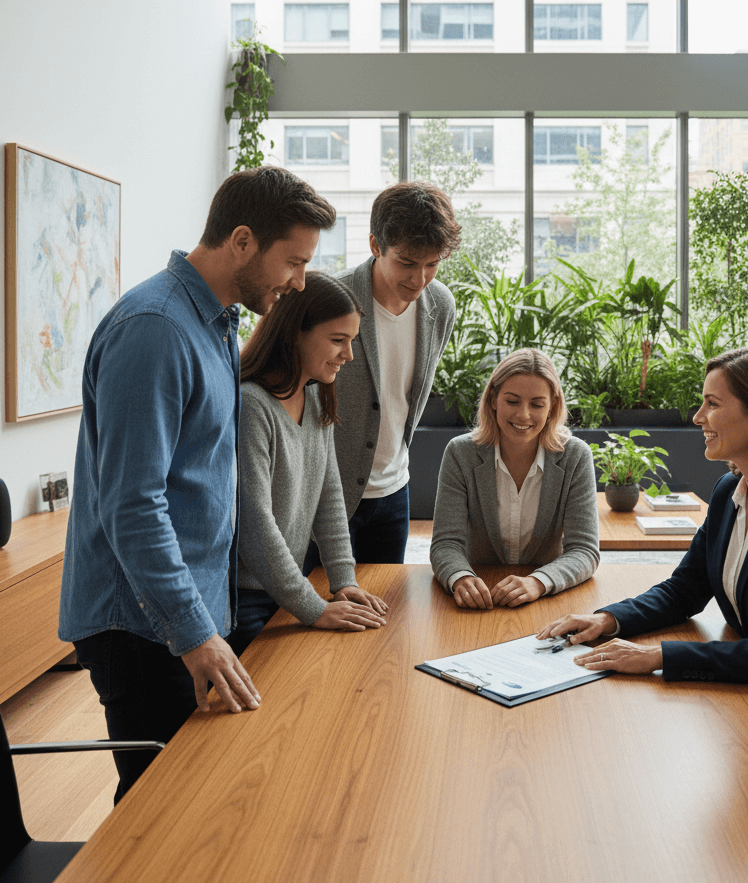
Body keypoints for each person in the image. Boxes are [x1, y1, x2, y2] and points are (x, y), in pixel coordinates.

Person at [59, 166, 337, 801]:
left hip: (184, 612)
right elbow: (133, 504)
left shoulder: (215, 321)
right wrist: (195, 631)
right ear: (242, 241)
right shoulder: (155, 329)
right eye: (292, 263)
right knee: (158, 809)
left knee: (196, 797)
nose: (298, 283)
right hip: (139, 622)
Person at [538, 347, 748, 735]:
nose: (698, 417)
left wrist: (655, 656)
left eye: (712, 404)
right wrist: (609, 619)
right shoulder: (728, 490)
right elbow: (684, 590)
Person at [228, 272, 388, 656]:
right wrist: (314, 608)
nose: (347, 355)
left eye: (351, 341)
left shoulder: (314, 396)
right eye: (338, 340)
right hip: (245, 601)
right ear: (295, 332)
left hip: (287, 589)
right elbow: (255, 524)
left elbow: (328, 494)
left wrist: (343, 580)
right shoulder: (252, 405)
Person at [329, 181, 461, 564]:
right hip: (330, 498)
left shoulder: (440, 306)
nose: (420, 279)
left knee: (388, 611)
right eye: (407, 262)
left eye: (432, 264)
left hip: (394, 491)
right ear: (375, 246)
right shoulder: (331, 301)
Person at [430, 349, 600, 609]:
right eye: (512, 401)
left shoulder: (575, 456)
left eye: (537, 404)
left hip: (544, 600)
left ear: (552, 405)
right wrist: (460, 577)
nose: (523, 415)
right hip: (480, 598)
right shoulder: (460, 453)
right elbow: (446, 543)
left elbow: (584, 550)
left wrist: (538, 582)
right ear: (493, 399)